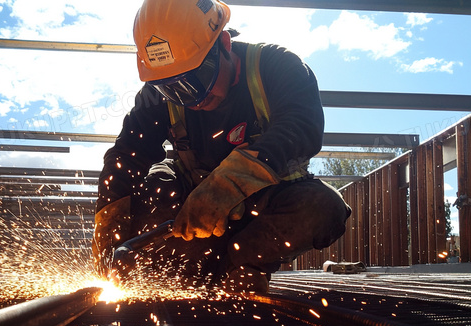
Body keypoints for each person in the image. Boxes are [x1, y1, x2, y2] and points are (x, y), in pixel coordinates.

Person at [92, 0, 351, 293]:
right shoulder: (155, 97)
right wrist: (109, 226)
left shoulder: (278, 67)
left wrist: (226, 186)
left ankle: (241, 267)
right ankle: (183, 273)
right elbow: (126, 157)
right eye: (173, 89)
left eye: (196, 81)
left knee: (323, 207)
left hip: (262, 210)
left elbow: (302, 129)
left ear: (224, 43)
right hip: (192, 214)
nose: (192, 100)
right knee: (151, 189)